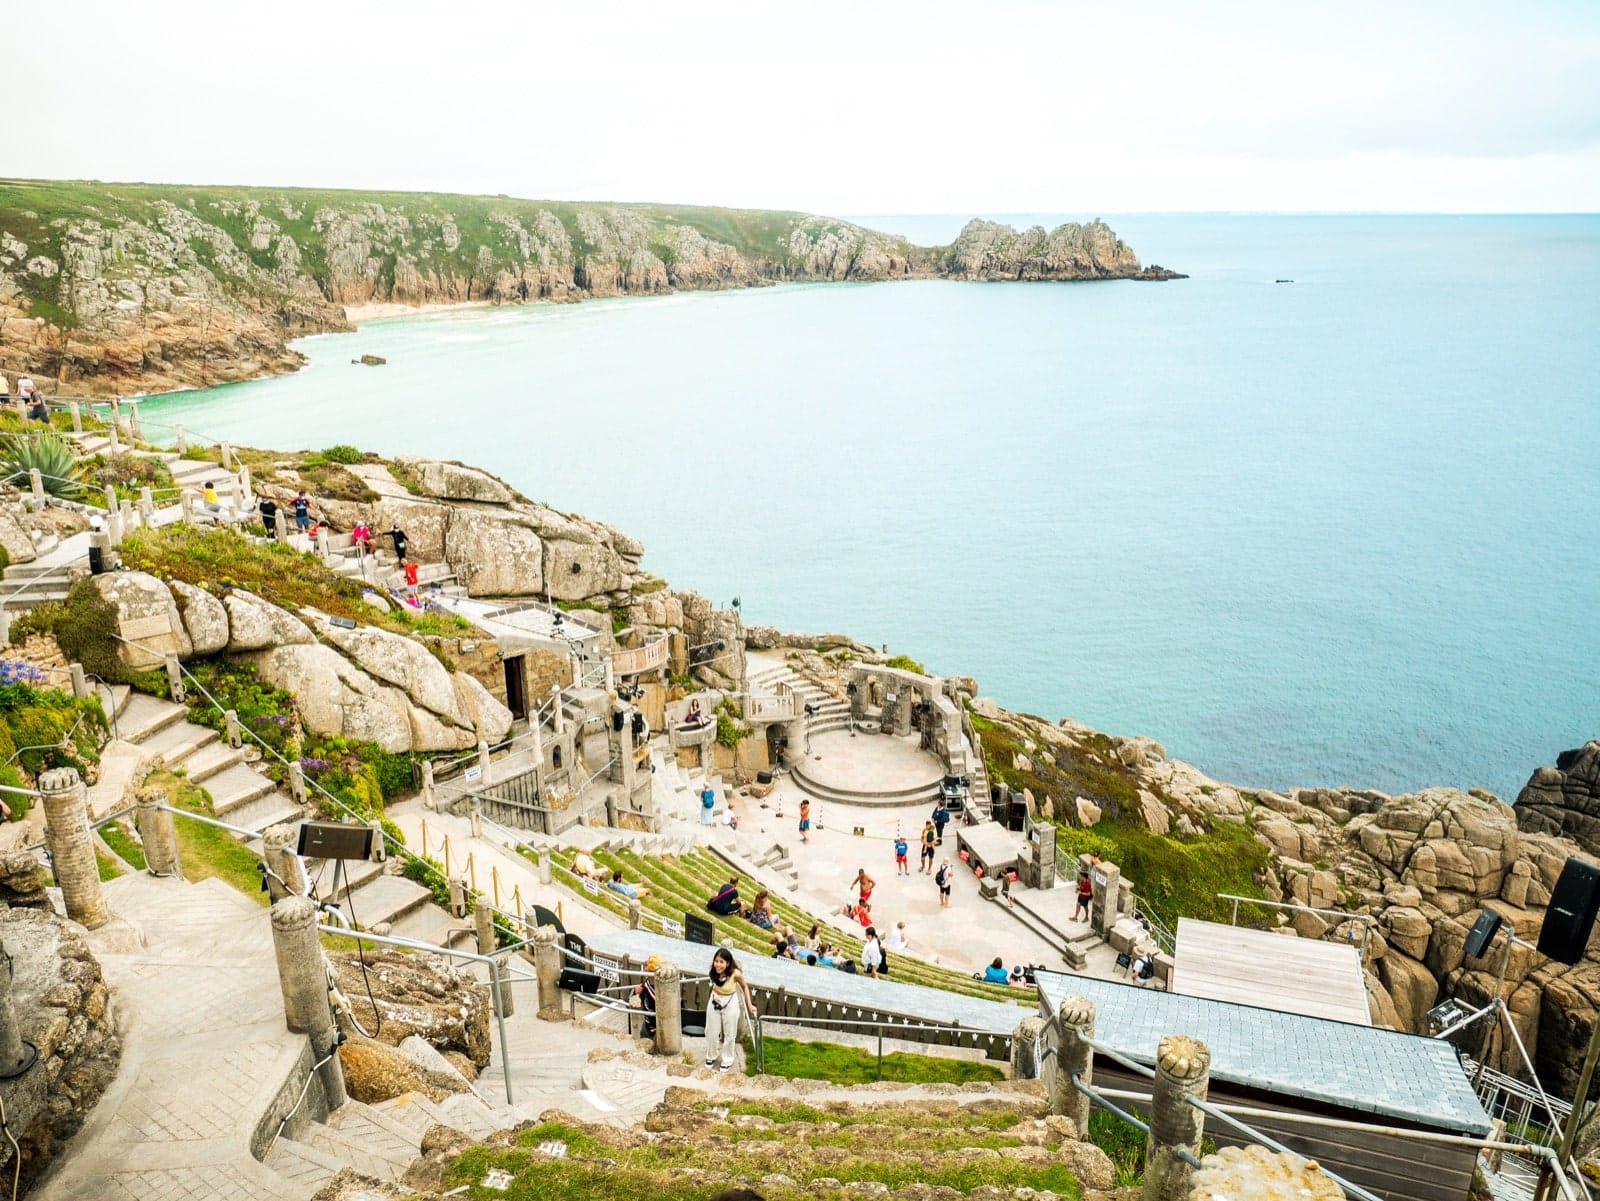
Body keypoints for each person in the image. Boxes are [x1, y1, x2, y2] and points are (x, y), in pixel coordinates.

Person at [704, 947, 756, 1071]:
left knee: (729, 1032)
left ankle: (727, 1059)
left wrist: (750, 1005)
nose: (718, 964)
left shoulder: (735, 973)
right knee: (711, 1030)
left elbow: (744, 987)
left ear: (728, 963)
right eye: (716, 961)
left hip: (730, 1002)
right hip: (715, 999)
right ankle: (711, 1055)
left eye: (721, 962)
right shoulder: (714, 970)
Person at [634, 955, 660, 1039]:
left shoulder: (658, 988)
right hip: (647, 1023)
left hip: (656, 1027)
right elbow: (642, 1001)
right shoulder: (646, 982)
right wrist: (637, 992)